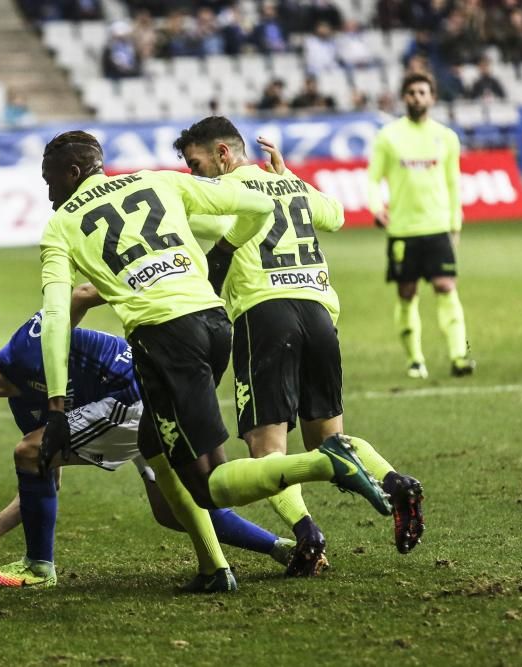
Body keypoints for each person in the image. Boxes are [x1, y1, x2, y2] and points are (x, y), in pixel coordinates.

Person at [37, 131, 392, 593]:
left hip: (164, 339)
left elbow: (56, 316)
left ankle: (328, 464)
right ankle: (212, 567)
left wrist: (57, 407)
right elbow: (259, 205)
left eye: (50, 181)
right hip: (214, 322)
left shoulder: (60, 225)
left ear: (72, 173)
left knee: (208, 483)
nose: (48, 192)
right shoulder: (157, 180)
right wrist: (222, 253)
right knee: (152, 442)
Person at [172, 117, 426, 565]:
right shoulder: (289, 184)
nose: (195, 174)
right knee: (329, 442)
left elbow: (184, 224)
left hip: (265, 316)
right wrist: (287, 176)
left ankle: (307, 534)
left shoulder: (221, 195)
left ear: (223, 154)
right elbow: (337, 215)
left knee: (266, 451)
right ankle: (394, 481)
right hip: (318, 314)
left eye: (196, 164)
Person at [0, 301, 299, 589]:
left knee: (28, 450)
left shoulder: (25, 347)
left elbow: (78, 296)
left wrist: (133, 290)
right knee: (173, 510)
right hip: (138, 408)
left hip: (134, 393)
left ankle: (39, 566)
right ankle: (283, 548)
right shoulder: (24, 407)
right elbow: (46, 479)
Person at [367, 72, 476, 379]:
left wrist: (455, 224)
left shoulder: (446, 137)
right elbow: (373, 179)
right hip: (402, 230)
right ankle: (415, 359)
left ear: (432, 97)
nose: (417, 97)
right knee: (407, 293)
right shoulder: (388, 136)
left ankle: (459, 356)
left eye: (422, 92)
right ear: (404, 97)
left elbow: (453, 183)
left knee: (446, 286)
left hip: (437, 226)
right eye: (412, 92)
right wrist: (377, 208)